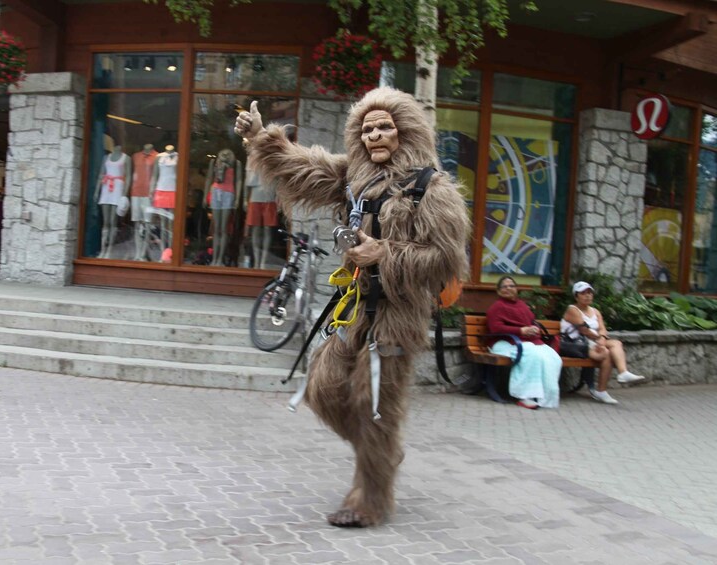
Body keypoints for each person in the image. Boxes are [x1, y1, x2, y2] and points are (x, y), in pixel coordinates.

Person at [234, 88, 470, 528]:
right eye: (367, 129)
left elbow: (446, 259)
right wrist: (260, 137)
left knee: (373, 401)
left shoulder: (432, 189)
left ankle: (369, 499)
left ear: (405, 131)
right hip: (355, 303)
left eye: (385, 127)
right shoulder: (352, 179)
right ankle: (380, 450)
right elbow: (302, 165)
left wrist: (386, 254)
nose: (376, 136)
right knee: (321, 389)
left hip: (399, 312)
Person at [561, 281, 647, 405]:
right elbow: (583, 329)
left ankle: (623, 373)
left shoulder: (595, 311)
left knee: (616, 343)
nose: (587, 296)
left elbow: (602, 328)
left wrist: (601, 338)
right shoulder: (572, 310)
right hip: (576, 344)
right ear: (576, 296)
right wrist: (600, 339)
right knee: (606, 352)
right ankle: (603, 390)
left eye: (590, 293)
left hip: (592, 342)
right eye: (583, 293)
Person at [487, 276, 562, 409]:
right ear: (499, 291)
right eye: (505, 286)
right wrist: (521, 331)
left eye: (512, 286)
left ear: (516, 289)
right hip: (505, 342)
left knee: (553, 357)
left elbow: (531, 322)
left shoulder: (522, 305)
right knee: (532, 354)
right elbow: (495, 328)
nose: (509, 288)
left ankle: (545, 395)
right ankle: (524, 396)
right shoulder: (496, 307)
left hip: (527, 341)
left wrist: (534, 329)